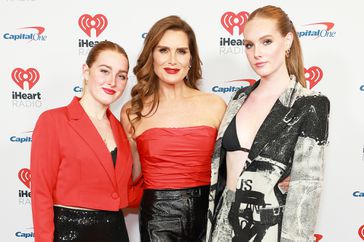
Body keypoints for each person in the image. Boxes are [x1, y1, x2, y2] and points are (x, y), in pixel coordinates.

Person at [206, 5, 330, 242]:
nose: (256, 53)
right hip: (223, 221)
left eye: (267, 42)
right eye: (249, 45)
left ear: (287, 41)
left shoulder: (311, 104)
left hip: (268, 228)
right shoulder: (238, 98)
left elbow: (306, 191)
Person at [120, 15, 226, 241]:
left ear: (191, 58)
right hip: (158, 217)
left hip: (210, 214)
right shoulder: (133, 111)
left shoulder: (215, 105)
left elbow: (231, 167)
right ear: (151, 56)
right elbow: (131, 175)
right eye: (163, 50)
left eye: (181, 51)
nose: (172, 60)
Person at [30, 40, 142, 242]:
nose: (112, 82)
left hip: (115, 232)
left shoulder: (122, 131)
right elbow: (41, 194)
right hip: (69, 232)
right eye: (104, 71)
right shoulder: (53, 121)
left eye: (121, 76)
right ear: (86, 71)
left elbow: (126, 194)